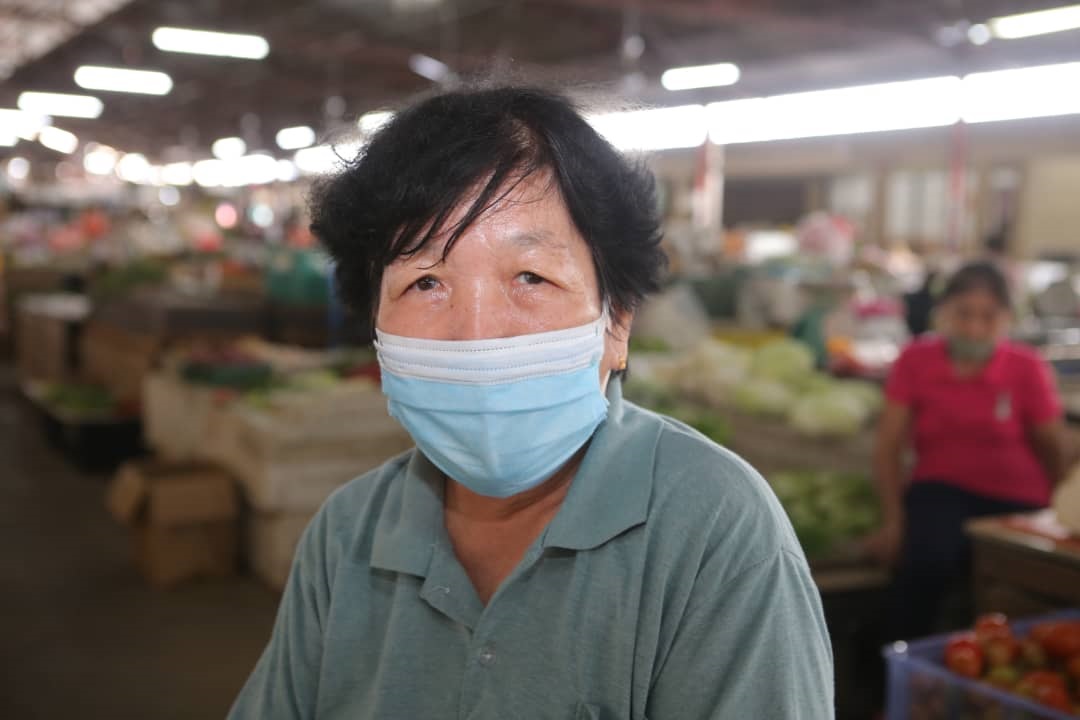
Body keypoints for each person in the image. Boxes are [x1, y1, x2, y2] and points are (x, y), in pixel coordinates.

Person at [229, 86, 833, 719]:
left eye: (531, 277)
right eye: (425, 281)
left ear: (616, 321)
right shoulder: (347, 534)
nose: (478, 332)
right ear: (376, 325)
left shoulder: (714, 530)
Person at [865, 261, 1065, 640]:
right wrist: (893, 520)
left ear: (1007, 318)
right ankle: (901, 679)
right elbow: (888, 446)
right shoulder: (916, 360)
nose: (974, 327)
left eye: (988, 317)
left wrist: (1057, 508)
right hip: (940, 489)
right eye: (963, 314)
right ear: (944, 313)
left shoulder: (1026, 366)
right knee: (926, 563)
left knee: (1027, 585)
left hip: (1019, 497)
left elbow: (1051, 445)